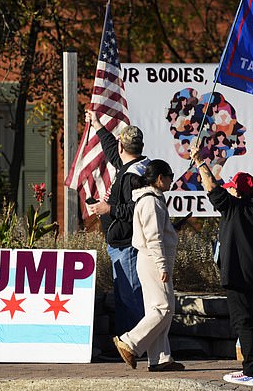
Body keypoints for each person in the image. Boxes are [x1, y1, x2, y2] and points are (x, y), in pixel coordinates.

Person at [191, 146, 253, 387]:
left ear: (237, 191)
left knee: (242, 322)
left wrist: (200, 162)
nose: (230, 189)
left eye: (232, 187)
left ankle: (250, 372)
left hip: (237, 275)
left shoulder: (235, 208)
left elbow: (212, 189)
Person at [112, 159, 185, 372]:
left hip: (150, 259)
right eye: (170, 175)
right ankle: (130, 342)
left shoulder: (150, 199)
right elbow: (153, 238)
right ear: (160, 178)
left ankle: (160, 359)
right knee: (164, 308)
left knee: (157, 309)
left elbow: (156, 233)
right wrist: (162, 266)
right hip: (153, 260)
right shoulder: (151, 202)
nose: (172, 179)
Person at [84, 111, 149, 336]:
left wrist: (107, 209)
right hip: (119, 243)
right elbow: (112, 151)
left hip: (127, 244)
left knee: (131, 295)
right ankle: (124, 341)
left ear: (124, 147)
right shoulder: (132, 165)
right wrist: (97, 124)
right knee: (123, 296)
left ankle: (136, 343)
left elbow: (137, 209)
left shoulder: (133, 176)